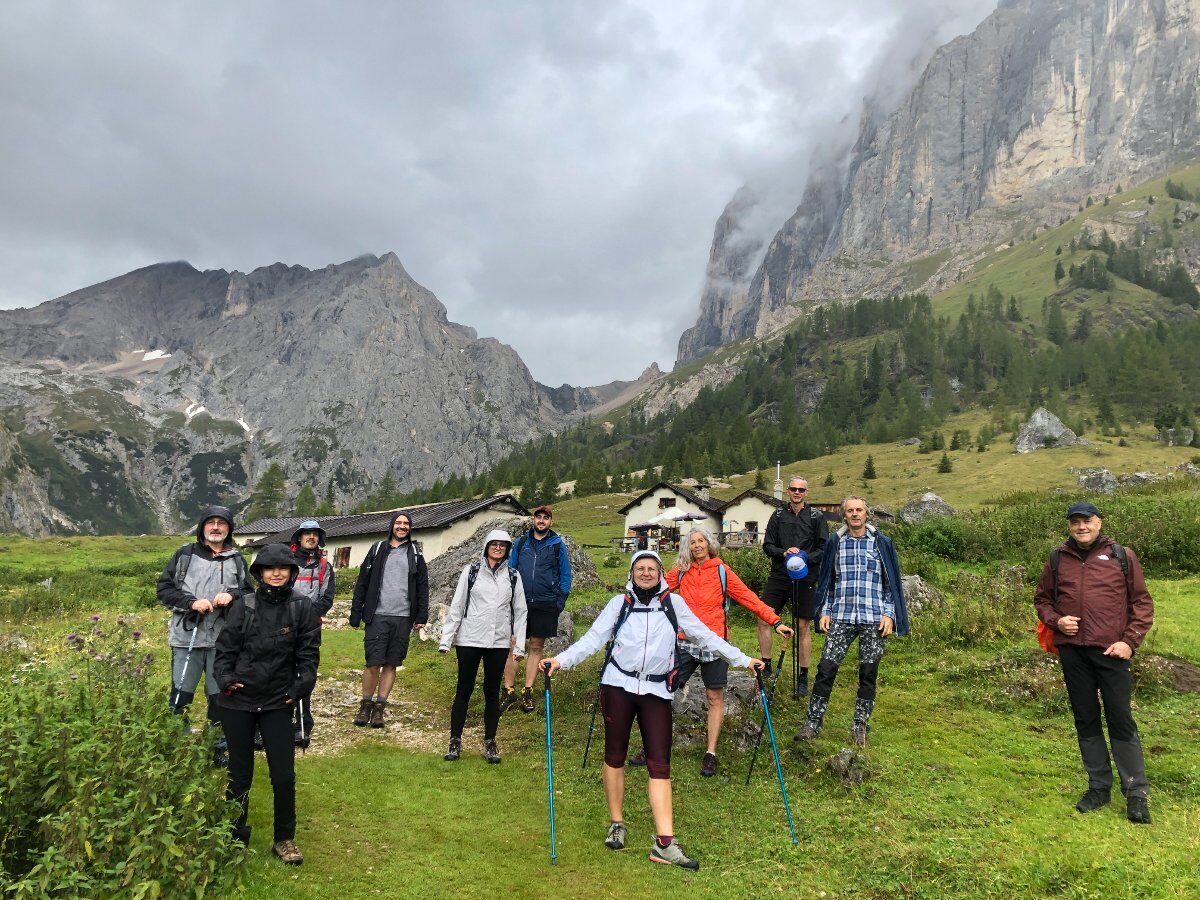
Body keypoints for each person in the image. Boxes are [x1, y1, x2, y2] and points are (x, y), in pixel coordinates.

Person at [543, 550, 763, 871]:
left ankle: (664, 843)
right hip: (618, 685)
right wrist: (560, 660)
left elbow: (706, 636)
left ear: (661, 573)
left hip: (657, 690)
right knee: (614, 756)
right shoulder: (619, 605)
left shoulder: (674, 604)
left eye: (652, 568)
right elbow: (592, 640)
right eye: (640, 568)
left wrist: (744, 659)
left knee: (660, 764)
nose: (646, 573)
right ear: (631, 573)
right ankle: (617, 822)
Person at [1033, 501, 1154, 824]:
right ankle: (1099, 787)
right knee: (1085, 719)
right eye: (1075, 522)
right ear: (1069, 526)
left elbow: (1142, 604)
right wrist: (1057, 621)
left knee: (1120, 719)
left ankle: (1136, 793)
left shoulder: (1121, 556)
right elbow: (1042, 600)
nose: (1081, 527)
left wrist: (1129, 643)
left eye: (1087, 521)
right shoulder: (1058, 558)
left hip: (1112, 652)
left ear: (1099, 522)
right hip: (1073, 653)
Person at [214, 543, 321, 864]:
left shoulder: (302, 607)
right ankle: (234, 837)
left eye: (283, 568)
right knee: (239, 773)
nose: (276, 573)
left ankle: (284, 838)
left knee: (284, 775)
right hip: (238, 700)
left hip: (278, 700)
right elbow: (224, 652)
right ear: (259, 573)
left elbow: (308, 655)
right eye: (269, 568)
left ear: (291, 572)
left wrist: (299, 688)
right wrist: (225, 680)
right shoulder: (243, 606)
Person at [659, 527, 792, 777]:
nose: (697, 545)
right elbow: (657, 588)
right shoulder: (682, 571)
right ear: (687, 547)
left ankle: (711, 753)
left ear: (710, 544)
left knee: (714, 697)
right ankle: (654, 744)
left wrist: (775, 621)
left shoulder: (721, 570)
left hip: (716, 642)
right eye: (692, 542)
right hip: (685, 641)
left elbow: (748, 597)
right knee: (664, 691)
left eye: (701, 541)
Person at [794, 496, 908, 748]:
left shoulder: (882, 543)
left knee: (868, 674)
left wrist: (889, 614)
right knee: (825, 669)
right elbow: (828, 582)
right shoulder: (836, 543)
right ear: (844, 515)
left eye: (859, 510)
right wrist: (824, 610)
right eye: (850, 511)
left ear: (867, 514)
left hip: (873, 619)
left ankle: (860, 726)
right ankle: (813, 722)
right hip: (841, 617)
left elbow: (891, 585)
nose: (855, 514)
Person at [156, 505, 252, 756]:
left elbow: (249, 593)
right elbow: (164, 591)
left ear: (229, 529)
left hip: (223, 640)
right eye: (211, 523)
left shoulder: (236, 559)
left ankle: (217, 746)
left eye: (222, 523)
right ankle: (177, 745)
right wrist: (190, 603)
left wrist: (231, 596)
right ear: (202, 527)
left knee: (219, 697)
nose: (216, 527)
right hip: (187, 637)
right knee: (181, 695)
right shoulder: (184, 555)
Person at [439, 529, 528, 763]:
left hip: (498, 643)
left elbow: (520, 612)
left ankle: (490, 741)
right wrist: (446, 639)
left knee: (491, 692)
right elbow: (457, 605)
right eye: (494, 544)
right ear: (487, 545)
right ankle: (455, 740)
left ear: (508, 549)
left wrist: (518, 646)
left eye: (503, 545)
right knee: (463, 690)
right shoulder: (471, 572)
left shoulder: (513, 576)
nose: (498, 548)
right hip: (469, 639)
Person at [349, 511, 429, 729]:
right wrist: (356, 613)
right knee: (373, 663)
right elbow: (362, 583)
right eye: (398, 523)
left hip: (403, 617)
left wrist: (422, 615)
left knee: (391, 664)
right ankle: (365, 705)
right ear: (391, 526)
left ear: (410, 528)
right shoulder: (377, 549)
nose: (402, 526)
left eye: (406, 524)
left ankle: (379, 709)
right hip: (377, 616)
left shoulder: (415, 553)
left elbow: (423, 586)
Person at [500, 505, 573, 714]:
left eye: (546, 518)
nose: (541, 521)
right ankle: (508, 690)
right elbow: (510, 571)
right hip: (519, 603)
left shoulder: (557, 545)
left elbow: (565, 575)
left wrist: (559, 601)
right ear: (533, 519)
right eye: (538, 517)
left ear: (551, 522)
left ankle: (527, 690)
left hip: (545, 603)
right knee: (513, 645)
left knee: (535, 646)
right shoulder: (521, 542)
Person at [761, 476, 828, 695]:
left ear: (806, 492)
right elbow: (767, 545)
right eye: (793, 489)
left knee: (802, 627)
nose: (797, 492)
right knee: (764, 617)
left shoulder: (817, 516)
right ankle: (766, 666)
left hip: (805, 577)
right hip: (779, 574)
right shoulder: (778, 515)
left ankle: (803, 676)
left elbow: (824, 548)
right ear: (788, 491)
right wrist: (783, 552)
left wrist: (805, 557)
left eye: (801, 489)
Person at [288, 519, 335, 745]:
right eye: (307, 533)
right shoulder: (285, 561)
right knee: (278, 671)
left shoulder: (325, 566)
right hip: (283, 626)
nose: (311, 537)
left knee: (306, 674)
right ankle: (276, 721)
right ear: (298, 537)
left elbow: (326, 599)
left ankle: (303, 723)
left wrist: (305, 616)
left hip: (310, 628)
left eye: (315, 534)